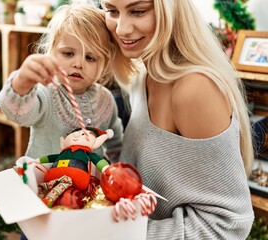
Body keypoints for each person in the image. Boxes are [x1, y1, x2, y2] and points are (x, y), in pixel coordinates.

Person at [100, 0, 255, 239]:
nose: (121, 29)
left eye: (138, 11)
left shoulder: (193, 88)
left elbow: (229, 224)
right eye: (111, 11)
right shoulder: (144, 75)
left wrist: (121, 234)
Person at [0, 3, 134, 162]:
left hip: (87, 185)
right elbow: (17, 113)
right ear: (51, 51)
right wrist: (22, 83)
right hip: (43, 181)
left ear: (104, 62)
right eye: (68, 53)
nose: (78, 63)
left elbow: (116, 145)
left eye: (90, 58)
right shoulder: (45, 93)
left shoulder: (105, 100)